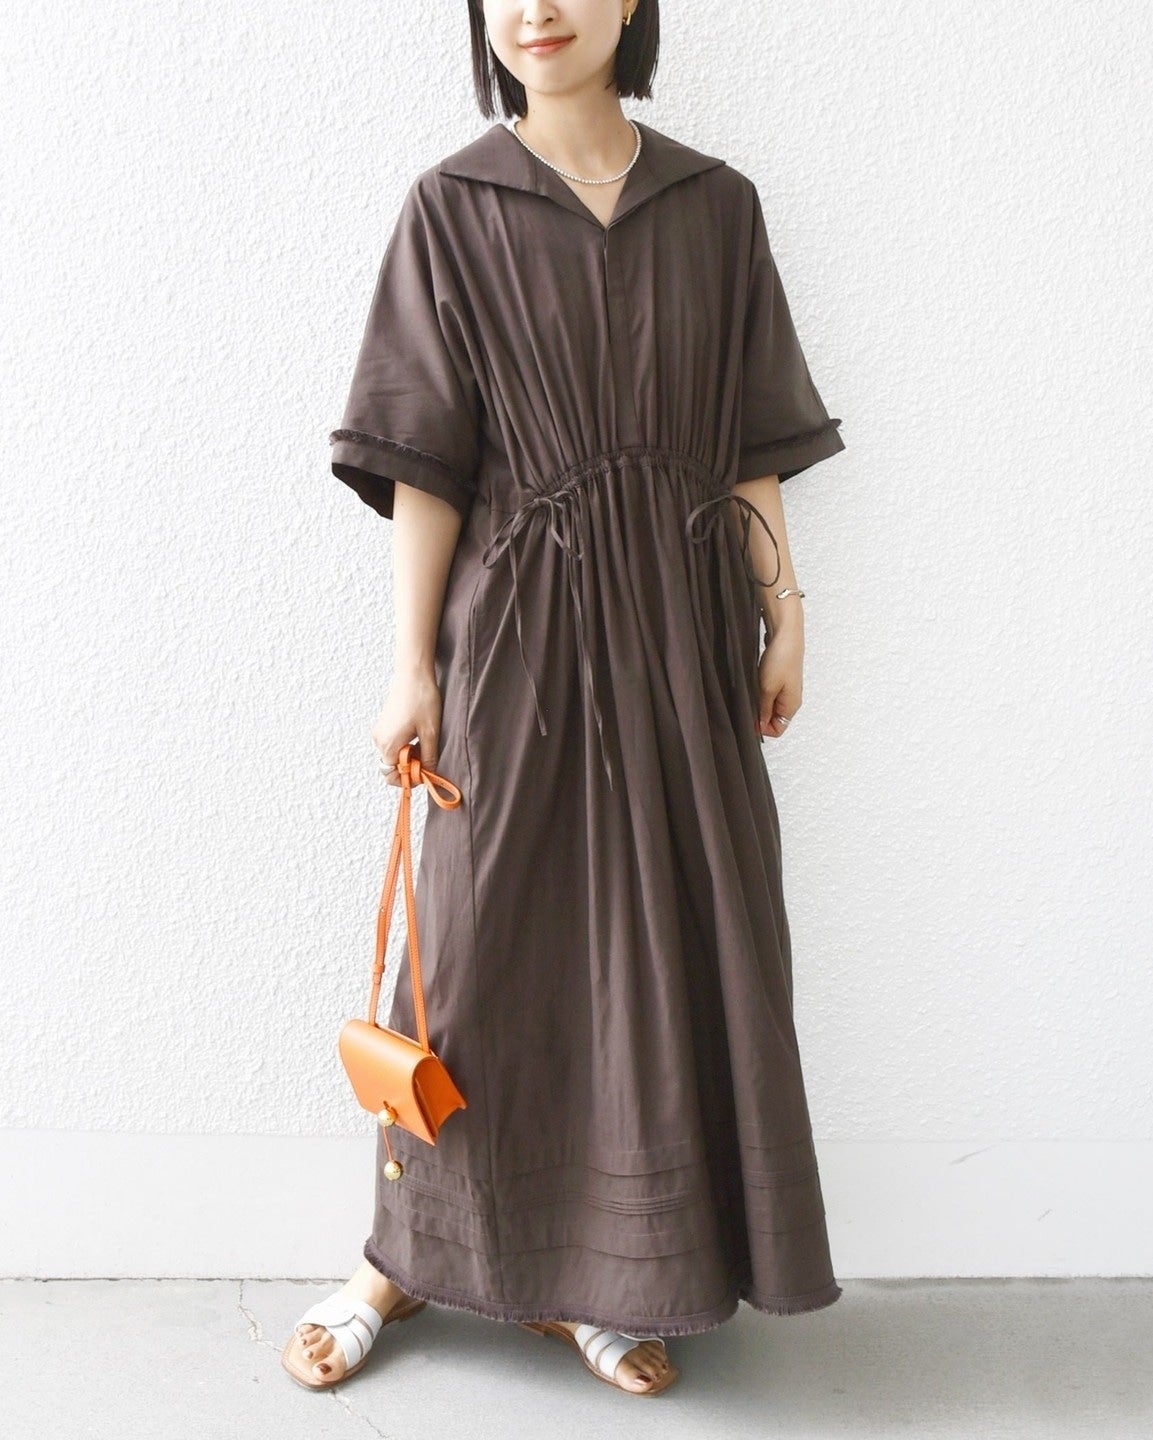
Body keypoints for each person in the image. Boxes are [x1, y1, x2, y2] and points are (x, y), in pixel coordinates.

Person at [283, 0, 846, 1398]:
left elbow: (752, 438)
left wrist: (785, 611)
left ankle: (602, 1280)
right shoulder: (453, 207)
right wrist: (413, 666)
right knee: (474, 958)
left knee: (662, 954)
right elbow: (426, 465)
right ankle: (399, 1263)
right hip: (516, 642)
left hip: (683, 640)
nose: (537, 8)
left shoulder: (717, 208)